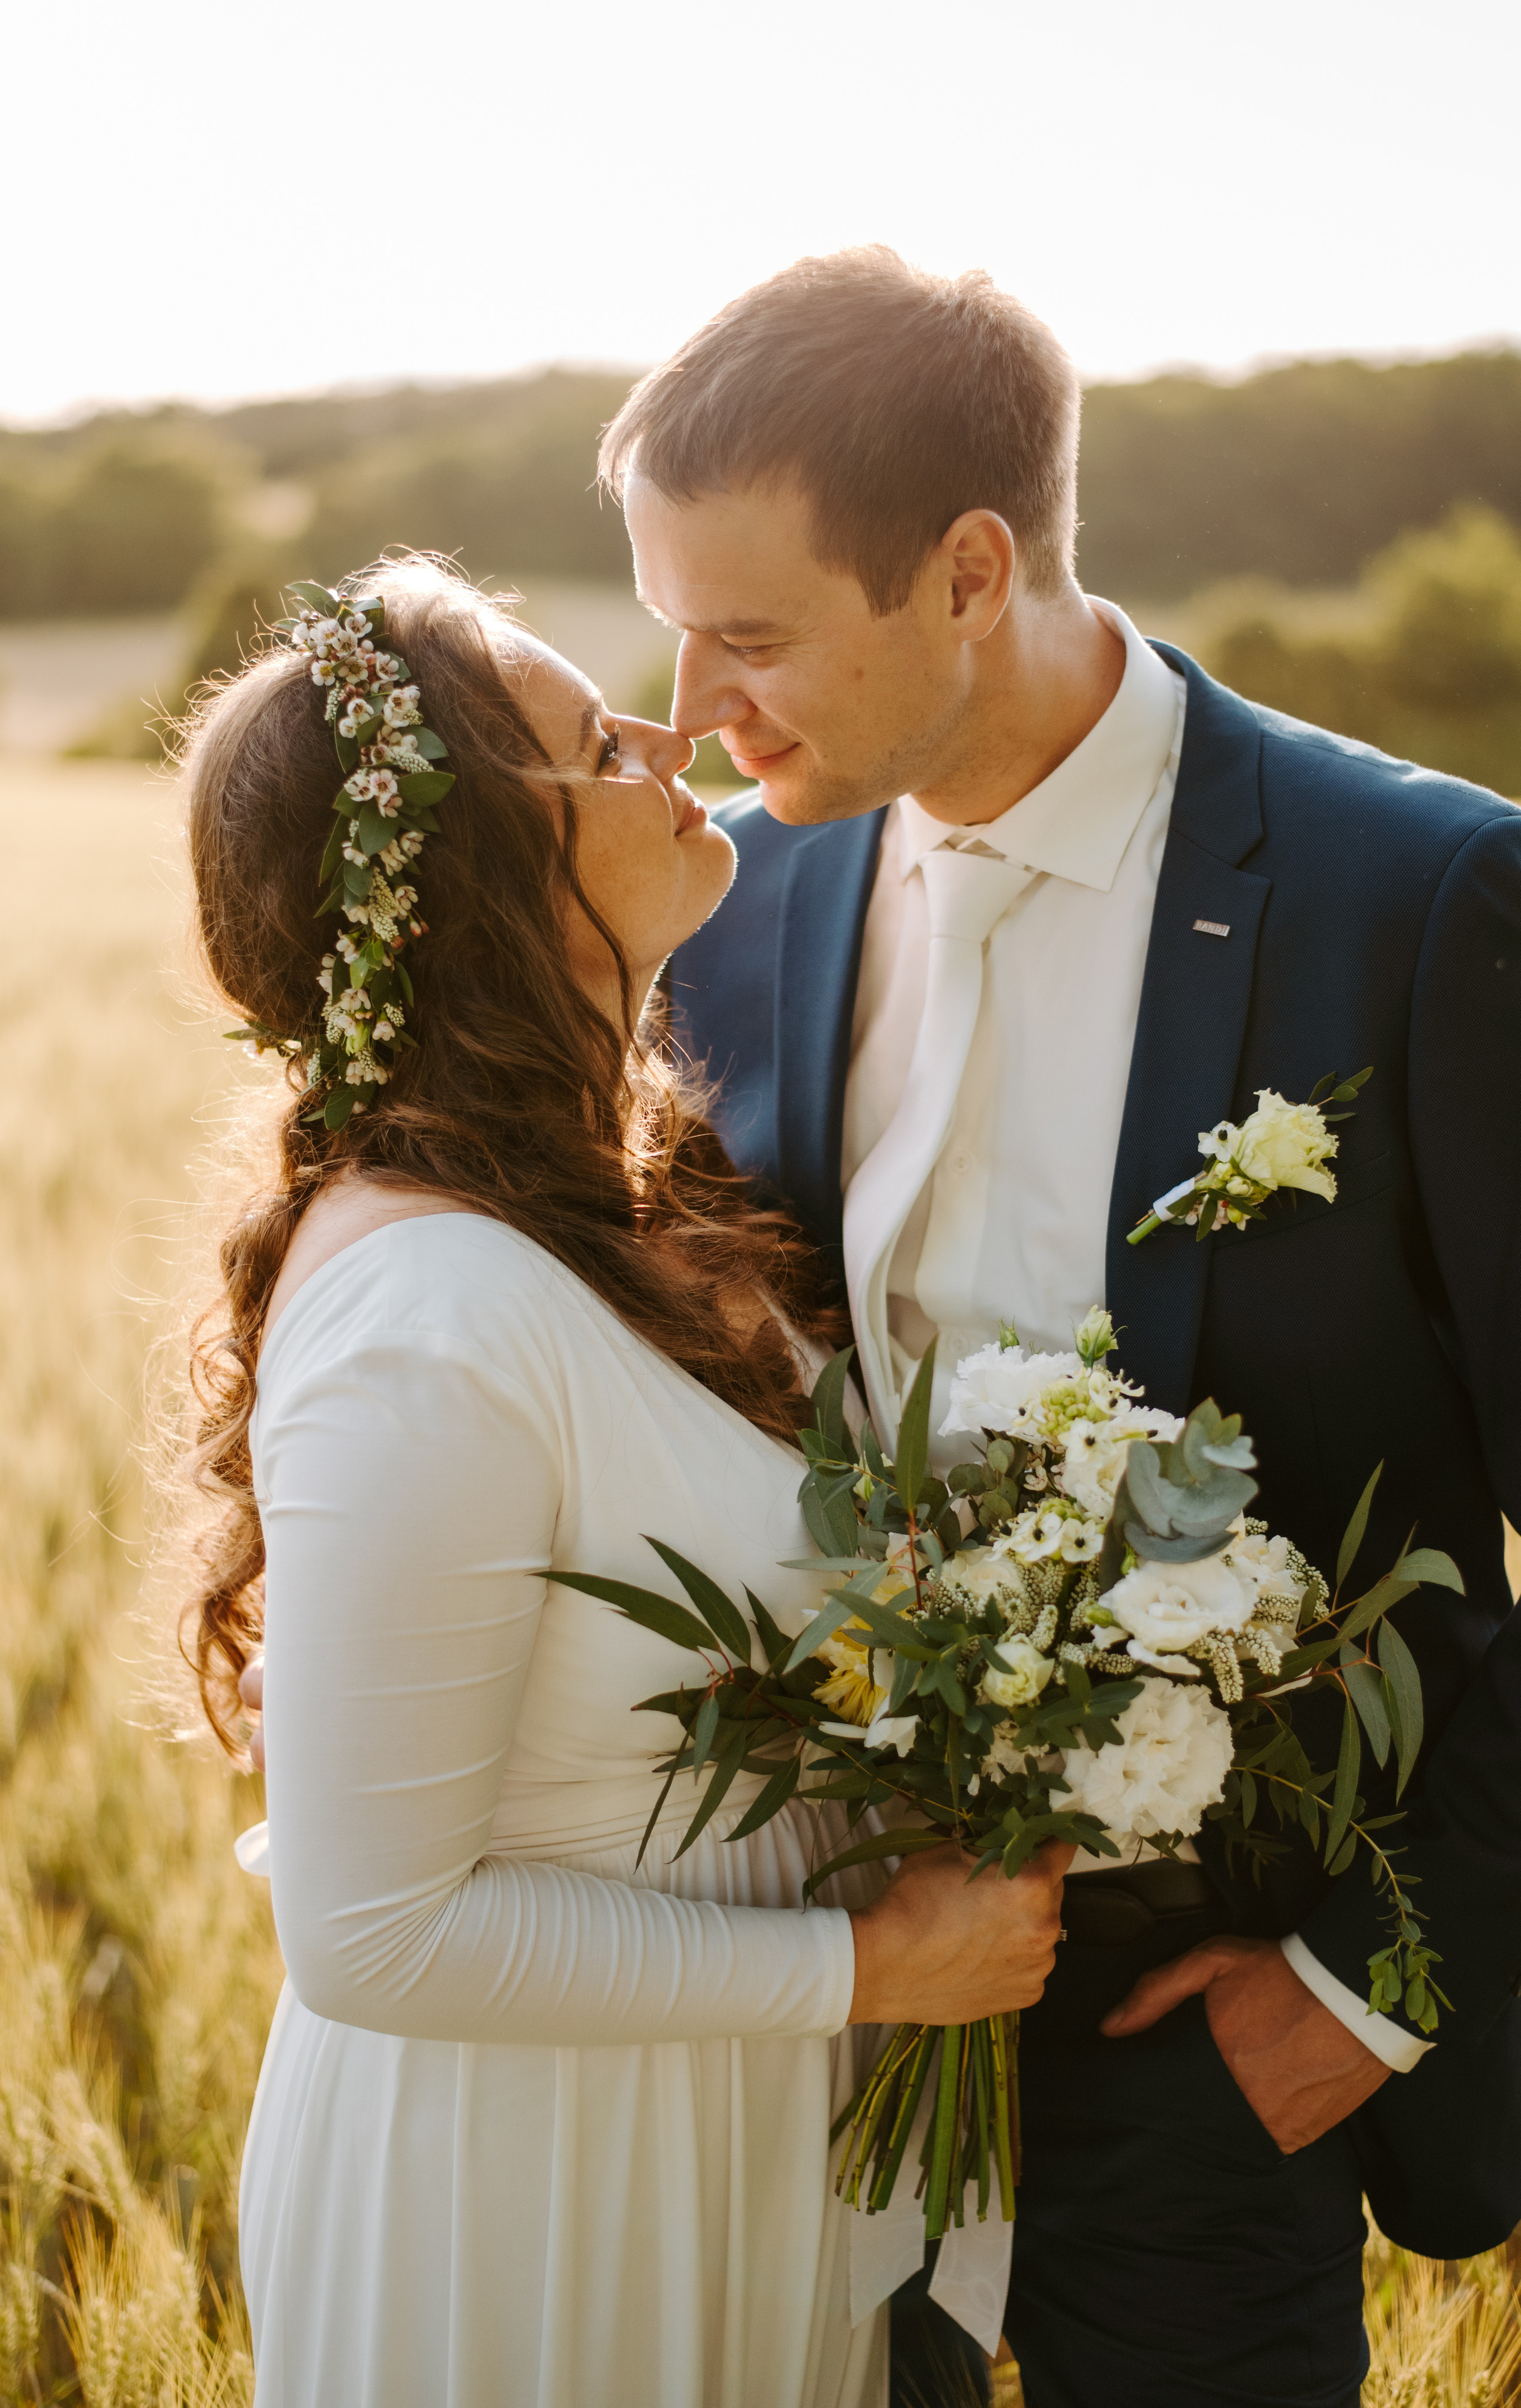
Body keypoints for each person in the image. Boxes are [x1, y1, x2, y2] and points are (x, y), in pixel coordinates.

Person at [597, 247, 1521, 2407]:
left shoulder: (1417, 896)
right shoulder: (746, 896)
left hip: (1209, 2039)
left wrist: (1363, 1987)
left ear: (972, 568)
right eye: (673, 629)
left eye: (751, 635)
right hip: (818, 2013)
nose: (695, 712)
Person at [180, 557, 1071, 2408]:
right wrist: (861, 1969)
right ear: (485, 880)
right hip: (531, 2200)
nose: (673, 734)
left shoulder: (620, 1216)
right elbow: (369, 1931)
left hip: (722, 2152)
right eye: (597, 738)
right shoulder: (430, 1306)